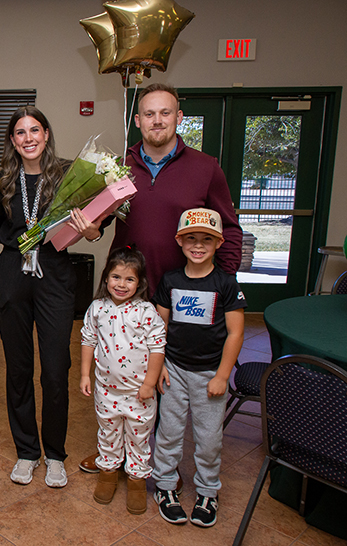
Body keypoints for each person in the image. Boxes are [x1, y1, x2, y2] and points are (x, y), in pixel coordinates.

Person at [79, 82, 243, 475]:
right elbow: (100, 221)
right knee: (121, 368)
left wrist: (224, 281)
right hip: (128, 288)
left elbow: (230, 227)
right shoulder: (117, 166)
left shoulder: (206, 167)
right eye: (149, 114)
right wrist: (91, 231)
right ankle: (114, 453)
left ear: (178, 118)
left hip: (180, 291)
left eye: (165, 113)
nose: (157, 120)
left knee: (164, 373)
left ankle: (150, 457)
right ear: (137, 121)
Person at [0, 106, 103, 488]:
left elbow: (94, 227)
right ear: (12, 140)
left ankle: (55, 454)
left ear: (46, 133)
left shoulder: (70, 174)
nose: (28, 138)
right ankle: (27, 451)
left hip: (54, 276)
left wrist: (92, 231)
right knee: (18, 371)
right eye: (19, 132)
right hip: (12, 277)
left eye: (34, 130)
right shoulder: (2, 180)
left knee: (56, 372)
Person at [151, 208, 247, 528]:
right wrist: (161, 362)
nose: (198, 245)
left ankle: (208, 491)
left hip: (209, 375)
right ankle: (164, 486)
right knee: (169, 433)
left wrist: (222, 375)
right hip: (174, 370)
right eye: (191, 238)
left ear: (218, 243)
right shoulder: (171, 280)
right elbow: (159, 327)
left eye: (207, 239)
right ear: (180, 241)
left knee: (208, 439)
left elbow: (236, 332)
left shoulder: (226, 284)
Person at [80, 247, 166, 515]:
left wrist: (149, 384)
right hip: (106, 391)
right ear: (106, 278)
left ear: (139, 283)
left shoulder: (146, 312)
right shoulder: (97, 308)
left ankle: (137, 480)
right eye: (116, 277)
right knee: (108, 433)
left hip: (139, 393)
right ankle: (108, 473)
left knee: (139, 438)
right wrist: (85, 374)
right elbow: (88, 340)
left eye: (129, 279)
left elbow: (157, 348)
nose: (121, 284)